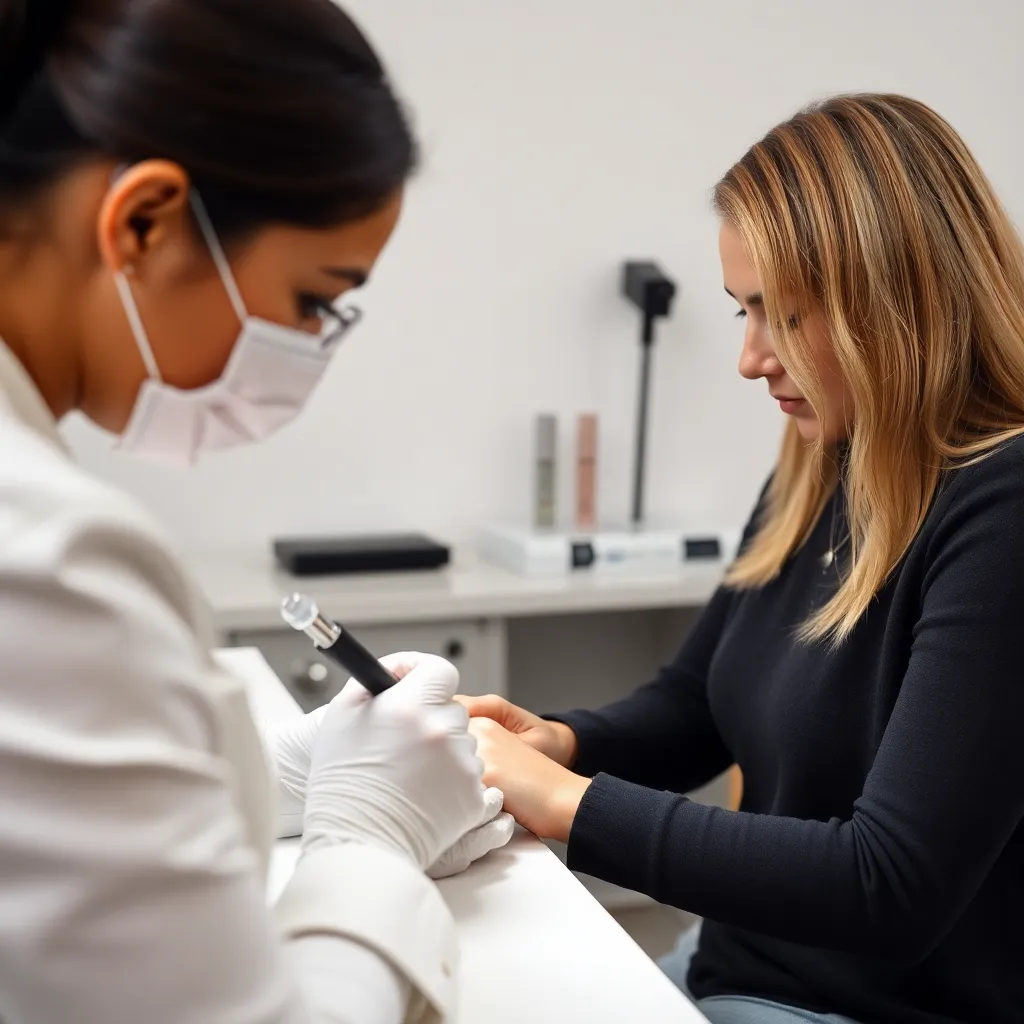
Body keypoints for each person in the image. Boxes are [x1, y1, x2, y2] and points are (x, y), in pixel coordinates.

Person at [461, 93, 1024, 1024]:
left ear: (897, 304)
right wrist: (560, 743)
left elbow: (884, 886)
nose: (751, 359)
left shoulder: (1003, 510)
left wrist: (568, 803)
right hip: (732, 967)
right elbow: (697, 704)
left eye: (785, 316)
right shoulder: (825, 461)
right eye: (742, 313)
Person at [0, 1, 513, 1021]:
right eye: (317, 299)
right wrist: (366, 837)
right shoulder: (49, 556)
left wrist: (285, 770)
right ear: (143, 221)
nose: (316, 343)